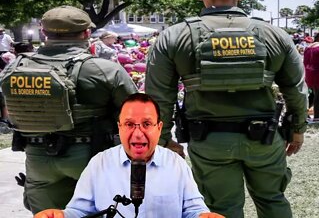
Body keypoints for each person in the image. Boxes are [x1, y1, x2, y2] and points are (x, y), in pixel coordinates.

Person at [145, 0, 307, 218]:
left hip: (209, 142)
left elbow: (158, 96)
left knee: (220, 208)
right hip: (264, 139)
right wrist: (297, 129)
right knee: (273, 200)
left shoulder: (174, 36)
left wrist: (163, 138)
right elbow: (296, 90)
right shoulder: (274, 35)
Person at [0, 5, 138, 214]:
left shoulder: (16, 68)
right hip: (91, 155)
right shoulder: (104, 69)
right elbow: (136, 114)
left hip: (38, 157)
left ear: (43, 32)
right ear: (86, 33)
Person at [34, 93, 223, 218]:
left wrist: (203, 216)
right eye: (130, 124)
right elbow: (80, 211)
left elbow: (193, 209)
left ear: (159, 129)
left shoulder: (175, 164)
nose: (138, 133)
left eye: (147, 124)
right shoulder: (99, 163)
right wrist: (61, 215)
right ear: (119, 128)